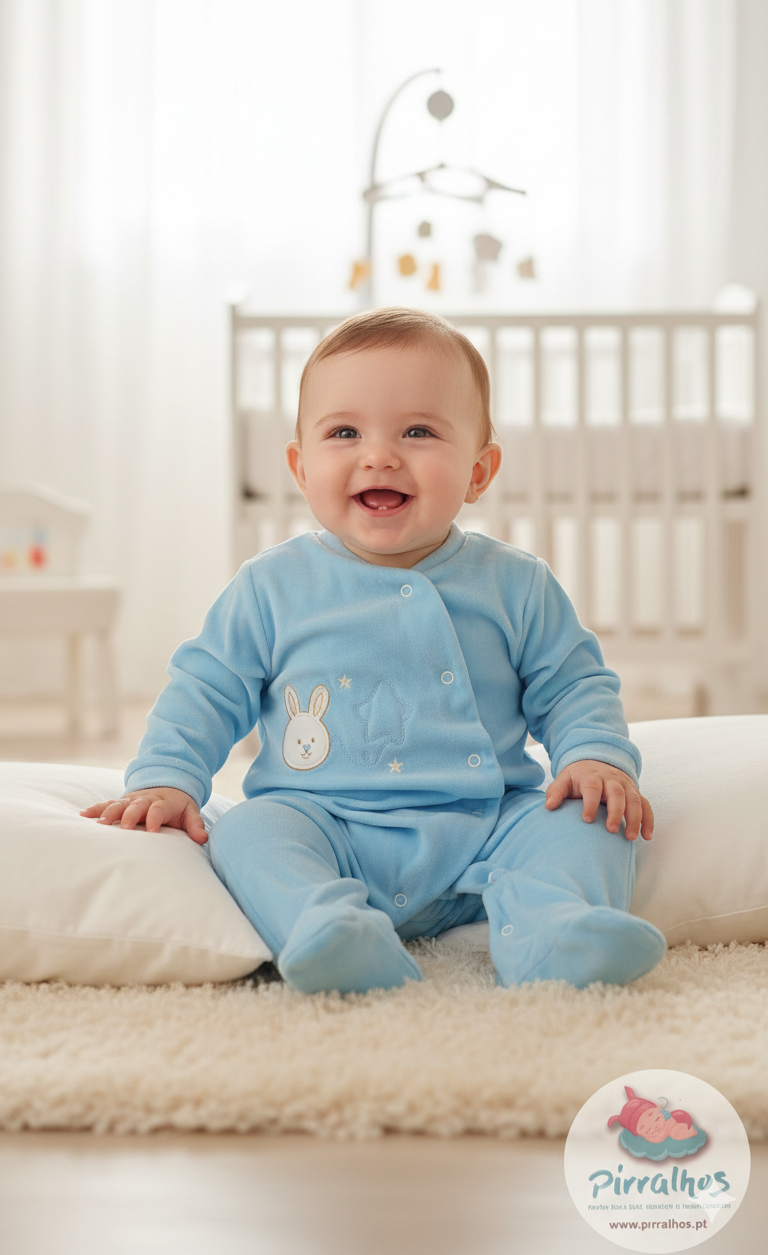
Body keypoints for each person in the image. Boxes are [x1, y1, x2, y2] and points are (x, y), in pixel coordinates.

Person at [82, 307, 666, 995]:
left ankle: (555, 928)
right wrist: (167, 777)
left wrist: (594, 757)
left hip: (487, 825)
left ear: (479, 471)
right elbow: (206, 687)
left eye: (418, 432)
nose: (379, 455)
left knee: (590, 818)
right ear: (302, 468)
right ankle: (329, 929)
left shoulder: (516, 584)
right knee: (247, 833)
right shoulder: (272, 586)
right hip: (328, 826)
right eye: (344, 433)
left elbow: (572, 684)